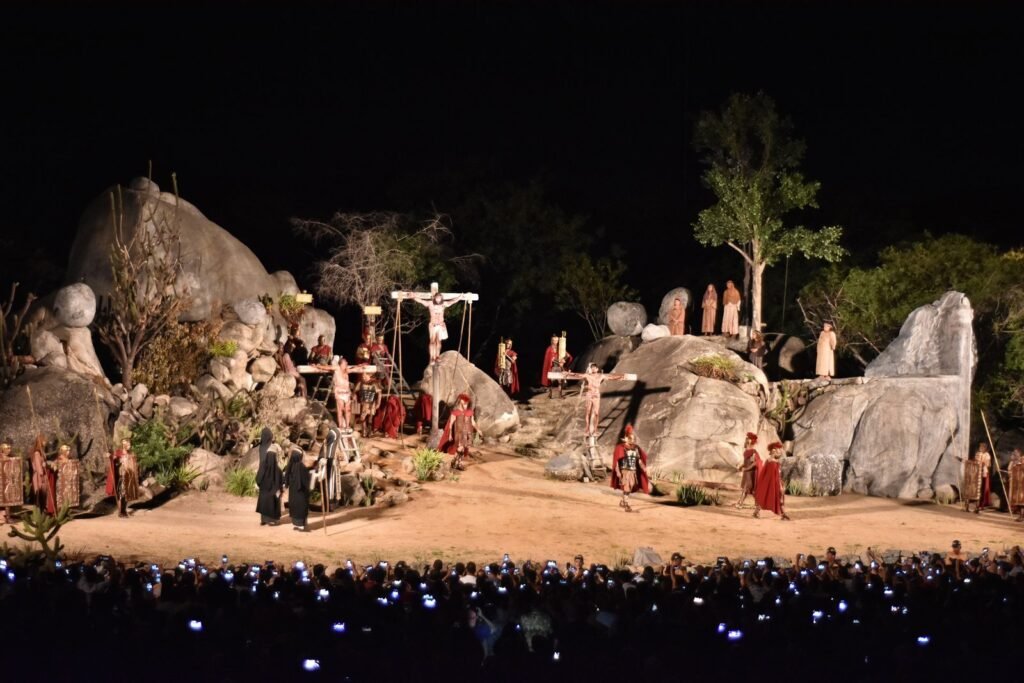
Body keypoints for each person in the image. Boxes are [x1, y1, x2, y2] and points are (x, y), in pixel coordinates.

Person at [559, 363, 629, 438]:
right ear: (591, 369)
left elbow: (611, 377)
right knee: (588, 412)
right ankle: (587, 429)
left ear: (597, 369)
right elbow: (577, 375)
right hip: (589, 394)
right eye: (592, 368)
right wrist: (568, 373)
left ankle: (595, 430)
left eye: (594, 368)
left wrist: (620, 377)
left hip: (596, 395)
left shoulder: (601, 376)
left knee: (596, 413)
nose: (593, 369)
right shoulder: (587, 375)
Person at [404, 291, 471, 363]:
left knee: (438, 342)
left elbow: (452, 301)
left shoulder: (443, 304)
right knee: (432, 341)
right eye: (437, 298)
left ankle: (437, 356)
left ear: (441, 298)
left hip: (440, 325)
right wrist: (413, 296)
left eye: (439, 299)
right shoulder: (430, 303)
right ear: (434, 298)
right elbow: (421, 301)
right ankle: (432, 358)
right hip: (433, 324)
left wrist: (460, 297)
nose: (438, 300)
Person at [610, 425, 649, 512]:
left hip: (633, 471)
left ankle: (623, 501)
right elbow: (616, 460)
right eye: (630, 438)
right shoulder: (621, 448)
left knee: (630, 487)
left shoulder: (636, 448)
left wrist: (643, 467)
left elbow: (638, 459)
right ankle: (627, 504)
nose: (632, 440)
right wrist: (618, 471)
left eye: (633, 438)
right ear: (626, 438)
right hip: (625, 471)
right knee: (626, 487)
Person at [441, 393, 482, 470]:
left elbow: (473, 422)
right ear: (461, 403)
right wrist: (450, 434)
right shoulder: (455, 412)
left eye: (467, 404)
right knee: (461, 447)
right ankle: (458, 463)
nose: (466, 405)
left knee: (462, 448)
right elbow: (451, 424)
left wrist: (478, 429)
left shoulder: (470, 412)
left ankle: (454, 462)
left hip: (467, 433)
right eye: (464, 404)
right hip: (459, 433)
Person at [753, 441, 789, 520]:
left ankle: (783, 514)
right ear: (773, 450)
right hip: (770, 483)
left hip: (775, 483)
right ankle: (756, 512)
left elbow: (777, 475)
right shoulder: (770, 461)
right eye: (778, 450)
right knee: (765, 497)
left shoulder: (774, 462)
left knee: (779, 498)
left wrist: (780, 484)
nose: (779, 451)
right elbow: (766, 473)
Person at [314, 356, 352, 429]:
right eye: (345, 362)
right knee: (340, 409)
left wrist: (361, 366)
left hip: (346, 392)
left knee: (348, 410)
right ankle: (341, 425)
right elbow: (327, 368)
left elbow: (355, 369)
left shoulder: (346, 370)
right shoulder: (337, 368)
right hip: (339, 392)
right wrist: (318, 366)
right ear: (341, 364)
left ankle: (347, 426)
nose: (346, 363)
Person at [255, 427, 283, 526]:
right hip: (273, 480)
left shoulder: (261, 447)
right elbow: (281, 480)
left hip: (263, 479)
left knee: (264, 499)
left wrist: (258, 482)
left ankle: (264, 519)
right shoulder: (278, 469)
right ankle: (273, 519)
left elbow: (259, 476)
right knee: (273, 498)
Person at [106, 438, 139, 518]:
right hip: (122, 476)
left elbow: (134, 465)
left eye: (128, 443)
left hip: (129, 477)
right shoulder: (118, 453)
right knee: (121, 494)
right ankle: (121, 511)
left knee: (126, 494)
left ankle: (123, 510)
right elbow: (113, 460)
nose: (127, 445)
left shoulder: (132, 454)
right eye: (125, 444)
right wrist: (110, 457)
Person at [285, 445, 310, 532]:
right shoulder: (302, 467)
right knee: (301, 507)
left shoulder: (290, 466)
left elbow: (286, 478)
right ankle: (301, 525)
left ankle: (298, 524)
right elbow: (306, 480)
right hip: (301, 493)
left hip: (293, 492)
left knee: (295, 507)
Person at [50, 443, 80, 512]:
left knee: (68, 496)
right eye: (67, 451)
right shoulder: (58, 460)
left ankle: (67, 509)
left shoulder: (70, 459)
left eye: (69, 451)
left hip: (68, 482)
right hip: (61, 482)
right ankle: (60, 510)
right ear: (63, 452)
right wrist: (54, 466)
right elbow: (53, 468)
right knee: (61, 497)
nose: (69, 452)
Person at [540, 335, 573, 399]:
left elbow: (568, 355)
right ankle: (550, 394)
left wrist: (564, 359)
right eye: (554, 340)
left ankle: (560, 395)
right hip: (553, 367)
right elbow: (549, 360)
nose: (556, 342)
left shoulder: (560, 348)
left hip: (559, 367)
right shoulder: (549, 349)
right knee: (551, 382)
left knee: (560, 382)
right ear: (552, 341)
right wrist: (555, 361)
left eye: (557, 340)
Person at [734, 432, 759, 509]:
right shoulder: (746, 451)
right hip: (747, 472)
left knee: (746, 488)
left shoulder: (753, 452)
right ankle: (757, 504)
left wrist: (747, 469)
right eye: (746, 439)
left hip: (751, 472)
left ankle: (740, 503)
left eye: (748, 439)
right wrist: (741, 467)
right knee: (749, 489)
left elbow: (755, 463)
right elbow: (746, 462)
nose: (747, 440)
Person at [0, 440, 24, 522]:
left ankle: (7, 517)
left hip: (6, 482)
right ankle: (5, 517)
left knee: (7, 500)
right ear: (2, 449)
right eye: (7, 448)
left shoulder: (9, 458)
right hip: (1, 482)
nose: (9, 450)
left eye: (10, 448)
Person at [354, 372, 382, 436]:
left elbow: (379, 393)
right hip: (364, 403)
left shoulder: (374, 383)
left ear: (369, 375)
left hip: (372, 403)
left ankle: (369, 431)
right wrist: (354, 396)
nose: (363, 377)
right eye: (362, 376)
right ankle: (364, 430)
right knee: (363, 417)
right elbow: (355, 391)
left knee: (370, 417)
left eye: (364, 376)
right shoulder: (360, 383)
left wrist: (378, 403)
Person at [30, 436, 53, 513]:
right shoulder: (37, 453)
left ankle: (43, 509)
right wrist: (41, 473)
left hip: (43, 474)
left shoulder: (41, 451)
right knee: (39, 493)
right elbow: (37, 465)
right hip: (39, 476)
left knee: (44, 493)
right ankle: (39, 511)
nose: (45, 443)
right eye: (44, 441)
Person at [1008, 448, 1024, 522]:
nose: (1015, 454)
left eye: (1016, 453)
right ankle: (1020, 515)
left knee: (1022, 500)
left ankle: (1021, 515)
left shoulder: (1023, 459)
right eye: (1014, 453)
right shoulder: (1013, 462)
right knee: (1017, 500)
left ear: (1019, 453)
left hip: (1022, 482)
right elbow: (1009, 470)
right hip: (1016, 483)